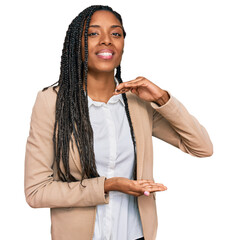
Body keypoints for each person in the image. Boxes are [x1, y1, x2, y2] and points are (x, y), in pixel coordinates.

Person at [24, 4, 213, 240]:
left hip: (136, 235)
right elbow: (36, 192)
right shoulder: (51, 102)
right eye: (93, 34)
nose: (106, 41)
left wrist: (162, 98)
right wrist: (107, 185)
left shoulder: (137, 103)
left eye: (116, 33)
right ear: (76, 44)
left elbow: (202, 147)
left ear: (123, 44)